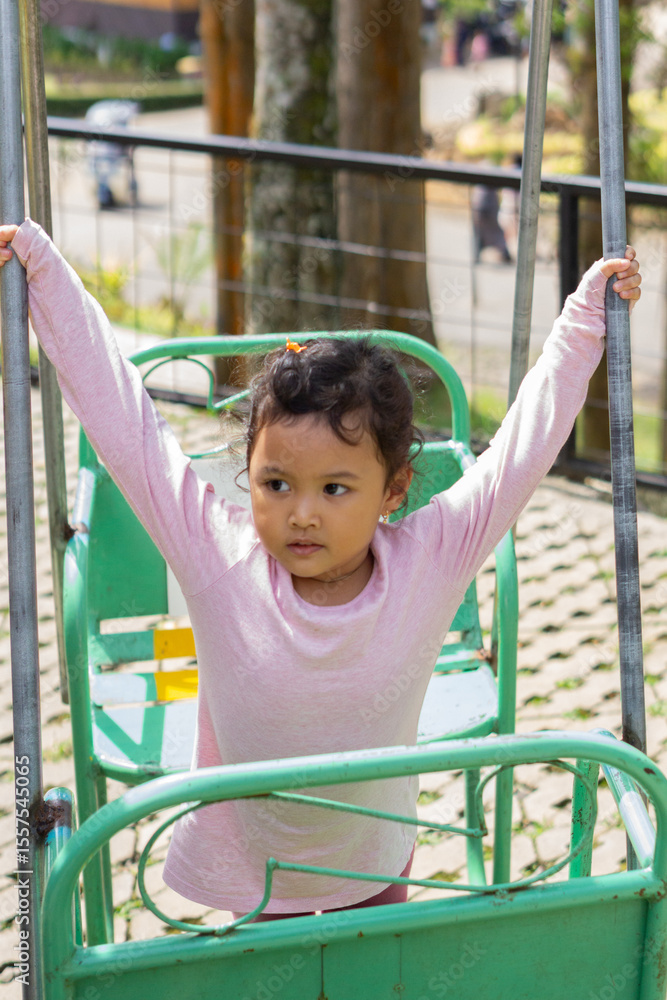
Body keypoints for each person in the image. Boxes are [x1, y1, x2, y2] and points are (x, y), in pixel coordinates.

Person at [0, 221, 641, 920]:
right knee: (269, 971)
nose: (301, 514)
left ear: (393, 490)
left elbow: (523, 445)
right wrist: (40, 268)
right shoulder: (217, 553)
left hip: (372, 860)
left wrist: (589, 313)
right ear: (247, 476)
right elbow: (125, 424)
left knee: (372, 968)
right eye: (276, 484)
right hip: (254, 869)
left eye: (335, 489)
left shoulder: (430, 561)